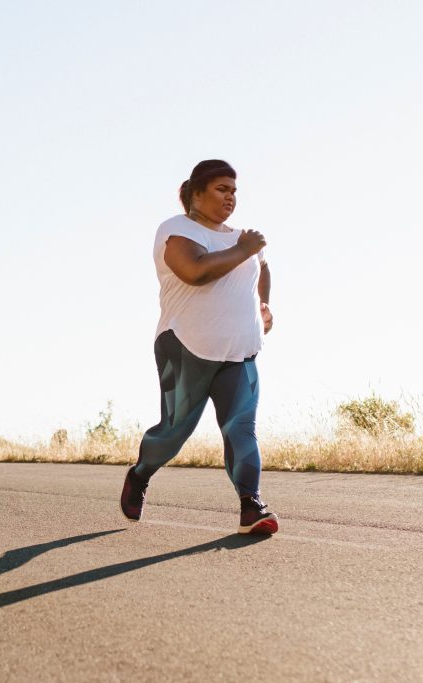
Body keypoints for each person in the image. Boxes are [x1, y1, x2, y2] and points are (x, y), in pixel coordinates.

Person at [119, 159, 278, 534]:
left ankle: (251, 505)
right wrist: (245, 248)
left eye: (235, 191)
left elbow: (263, 267)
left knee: (241, 429)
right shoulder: (177, 230)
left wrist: (263, 303)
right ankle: (140, 474)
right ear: (196, 193)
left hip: (240, 352)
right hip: (184, 347)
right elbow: (195, 272)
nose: (231, 197)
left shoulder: (243, 238)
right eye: (222, 189)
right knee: (174, 432)